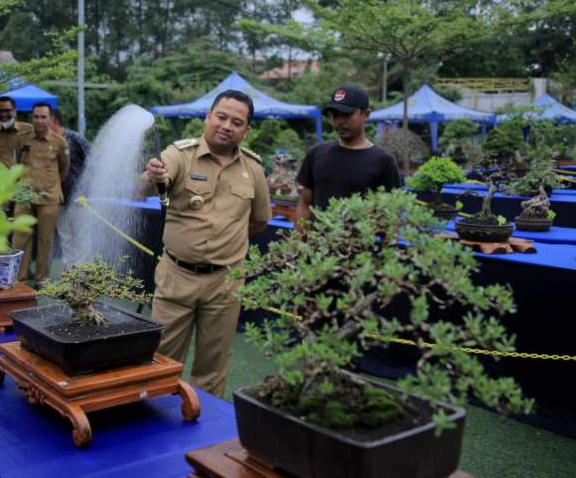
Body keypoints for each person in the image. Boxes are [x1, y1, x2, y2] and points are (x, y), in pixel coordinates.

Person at [141, 90, 272, 397]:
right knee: (160, 359)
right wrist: (150, 176)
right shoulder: (179, 154)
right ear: (207, 117)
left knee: (212, 367)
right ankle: (154, 420)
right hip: (177, 276)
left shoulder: (253, 169)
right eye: (221, 117)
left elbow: (259, 221)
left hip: (225, 283)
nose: (227, 125)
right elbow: (147, 185)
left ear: (246, 130)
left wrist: (228, 244)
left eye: (237, 122)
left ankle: (201, 426)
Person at [295, 85, 400, 231]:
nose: (339, 121)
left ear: (366, 114)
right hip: (317, 250)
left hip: (358, 251)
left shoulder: (383, 161)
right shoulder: (316, 154)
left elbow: (391, 216)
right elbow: (305, 205)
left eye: (346, 114)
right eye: (335, 115)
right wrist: (299, 246)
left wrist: (387, 250)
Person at [12, 103, 70, 288]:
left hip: (49, 197)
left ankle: (41, 279)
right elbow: (16, 163)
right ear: (32, 118)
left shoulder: (60, 142)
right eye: (36, 117)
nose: (39, 121)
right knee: (20, 237)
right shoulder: (21, 139)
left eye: (43, 117)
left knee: (46, 240)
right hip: (25, 196)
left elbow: (64, 168)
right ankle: (19, 279)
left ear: (50, 119)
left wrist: (50, 184)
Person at [50, 109, 92, 204]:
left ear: (54, 120)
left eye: (45, 118)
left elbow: (93, 160)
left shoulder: (74, 138)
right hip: (55, 198)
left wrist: (87, 187)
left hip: (78, 197)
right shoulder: (46, 142)